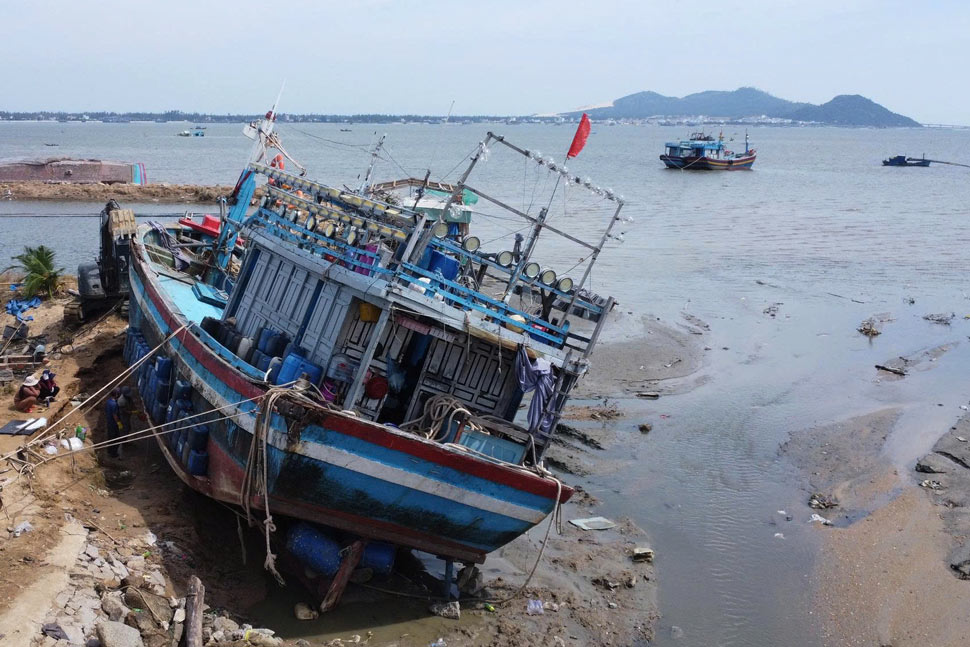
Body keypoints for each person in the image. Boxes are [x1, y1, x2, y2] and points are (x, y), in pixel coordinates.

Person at [104, 388, 124, 458]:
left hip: (109, 422)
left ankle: (109, 450)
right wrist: (119, 423)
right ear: (116, 395)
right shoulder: (114, 404)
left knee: (110, 437)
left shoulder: (108, 402)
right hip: (113, 424)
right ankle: (113, 453)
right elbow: (115, 415)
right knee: (115, 438)